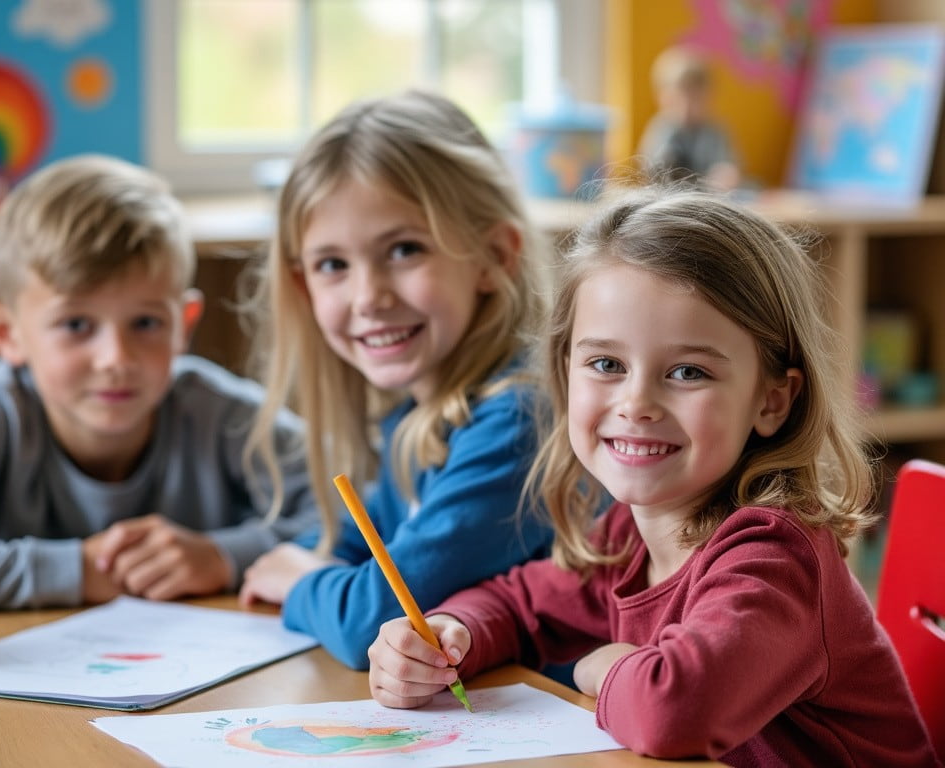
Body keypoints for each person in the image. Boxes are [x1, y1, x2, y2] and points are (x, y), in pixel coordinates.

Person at [367, 186, 940, 767]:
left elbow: (676, 711)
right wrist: (448, 634)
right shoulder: (629, 534)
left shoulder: (774, 556)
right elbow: (520, 603)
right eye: (607, 364)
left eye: (688, 371)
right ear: (566, 375)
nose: (636, 402)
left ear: (772, 400)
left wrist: (605, 665)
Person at [237, 90, 555, 670]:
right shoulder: (416, 418)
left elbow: (381, 614)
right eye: (333, 265)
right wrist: (297, 560)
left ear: (493, 256)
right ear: (302, 282)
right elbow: (359, 547)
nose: (368, 297)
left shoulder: (519, 420)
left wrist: (302, 584)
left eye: (405, 250)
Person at [0, 154, 315, 613]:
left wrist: (224, 557)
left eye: (146, 322)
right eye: (76, 325)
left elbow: (358, 513)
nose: (116, 359)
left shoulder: (221, 412)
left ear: (183, 326)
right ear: (6, 332)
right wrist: (73, 571)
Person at [637, 45, 740, 191]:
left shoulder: (715, 131)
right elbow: (652, 168)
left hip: (707, 196)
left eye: (696, 100)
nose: (687, 108)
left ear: (709, 99)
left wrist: (727, 173)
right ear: (662, 99)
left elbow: (727, 166)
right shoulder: (662, 128)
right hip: (670, 197)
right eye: (677, 101)